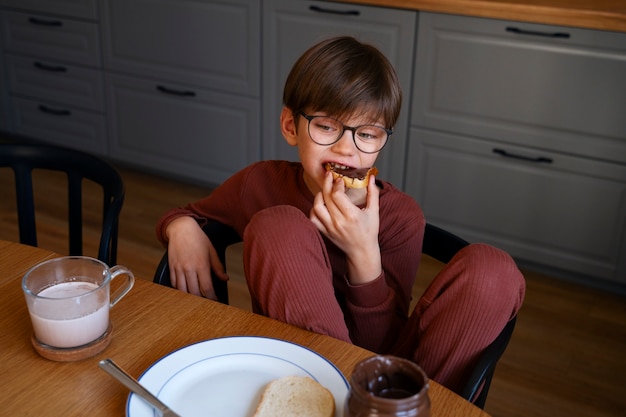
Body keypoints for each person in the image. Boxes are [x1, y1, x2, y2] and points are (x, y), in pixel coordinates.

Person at [156, 36, 525, 395]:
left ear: (382, 140)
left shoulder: (400, 216)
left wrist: (363, 255)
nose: (345, 148)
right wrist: (181, 226)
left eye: (366, 133)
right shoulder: (259, 185)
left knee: (494, 270)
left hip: (396, 387)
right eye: (326, 126)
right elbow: (190, 213)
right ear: (290, 127)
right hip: (304, 382)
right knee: (277, 225)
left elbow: (378, 352)